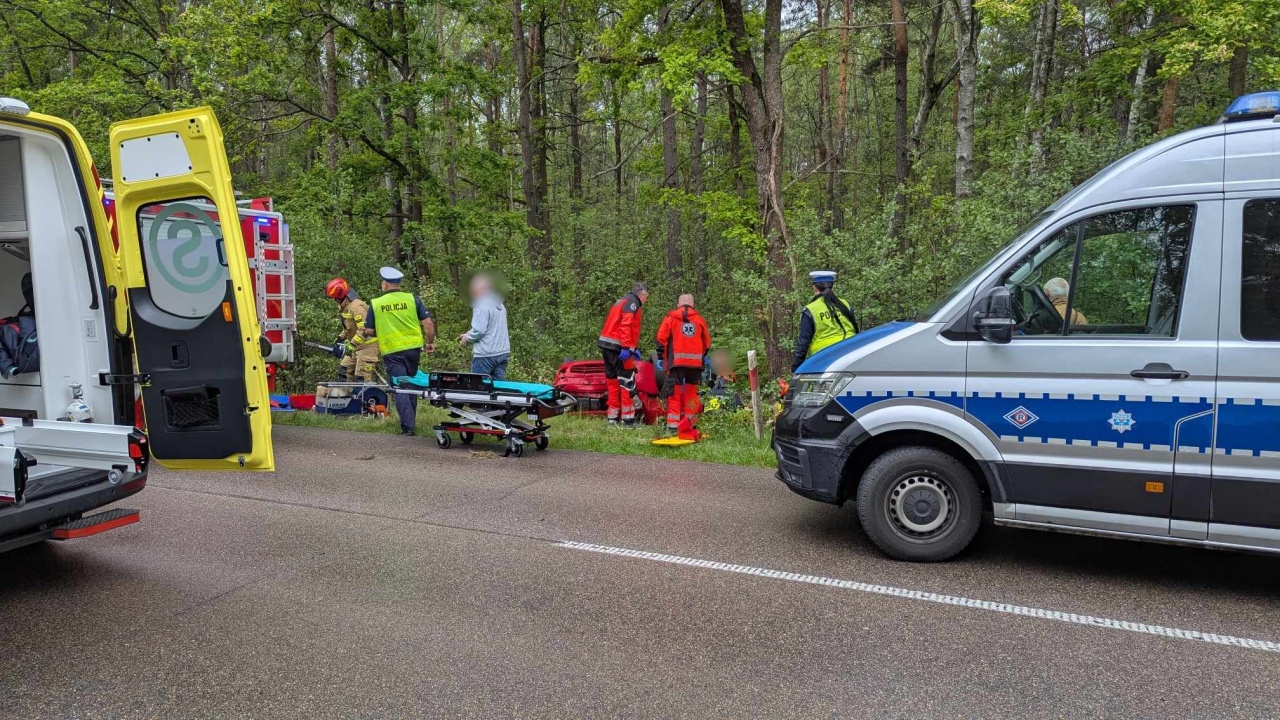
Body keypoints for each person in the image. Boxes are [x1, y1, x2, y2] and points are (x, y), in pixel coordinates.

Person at [363, 267, 436, 435]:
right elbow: (428, 324)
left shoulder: (376, 303)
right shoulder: (412, 299)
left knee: (400, 387)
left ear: (385, 284)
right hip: (413, 351)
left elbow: (368, 331)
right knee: (411, 383)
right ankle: (411, 421)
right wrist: (430, 342)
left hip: (392, 352)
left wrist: (379, 330)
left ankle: (408, 428)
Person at [655, 294, 711, 431]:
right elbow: (707, 343)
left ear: (678, 304)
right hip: (695, 365)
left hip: (676, 364)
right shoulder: (699, 320)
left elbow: (661, 338)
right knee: (692, 394)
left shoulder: (671, 318)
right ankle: (690, 425)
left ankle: (673, 426)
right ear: (693, 304)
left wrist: (662, 357)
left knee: (674, 393)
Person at [597, 282, 648, 427]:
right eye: (646, 296)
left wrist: (633, 347)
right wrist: (626, 348)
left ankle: (612, 418)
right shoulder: (633, 303)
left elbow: (615, 324)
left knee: (612, 381)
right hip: (619, 348)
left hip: (607, 345)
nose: (646, 300)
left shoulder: (622, 301)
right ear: (642, 294)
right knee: (627, 382)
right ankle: (628, 419)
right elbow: (626, 325)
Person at [792, 270, 859, 372]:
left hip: (825, 359)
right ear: (833, 286)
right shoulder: (845, 304)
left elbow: (803, 344)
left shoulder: (811, 309)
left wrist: (796, 368)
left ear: (814, 287)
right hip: (851, 355)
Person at [325, 277, 380, 383]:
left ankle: (365, 399)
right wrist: (340, 339)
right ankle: (347, 397)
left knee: (361, 378)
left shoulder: (357, 307)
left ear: (341, 296)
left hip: (368, 346)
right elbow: (349, 327)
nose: (334, 300)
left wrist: (351, 345)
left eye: (335, 298)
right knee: (344, 370)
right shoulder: (346, 307)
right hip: (356, 346)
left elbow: (364, 330)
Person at [457, 272, 511, 380]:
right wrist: (468, 333)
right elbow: (490, 327)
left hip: (486, 354)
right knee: (498, 391)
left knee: (477, 389)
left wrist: (468, 338)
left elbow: (480, 330)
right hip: (502, 352)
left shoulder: (481, 304)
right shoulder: (499, 303)